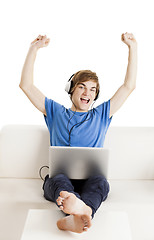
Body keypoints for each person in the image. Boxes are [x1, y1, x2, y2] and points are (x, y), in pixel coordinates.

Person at [19, 33, 137, 233]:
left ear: (96, 95)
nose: (87, 93)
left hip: (90, 180)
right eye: (82, 87)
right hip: (60, 179)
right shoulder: (55, 111)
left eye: (92, 90)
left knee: (101, 183)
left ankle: (77, 213)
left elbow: (128, 86)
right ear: (71, 90)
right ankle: (79, 207)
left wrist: (132, 48)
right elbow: (26, 86)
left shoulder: (101, 114)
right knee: (58, 181)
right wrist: (34, 49)